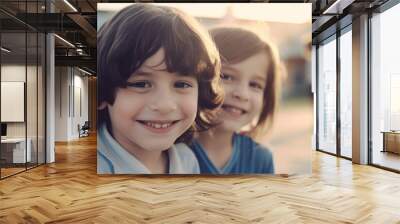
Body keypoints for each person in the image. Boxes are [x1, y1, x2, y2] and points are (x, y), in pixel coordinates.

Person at [97, 4, 223, 174]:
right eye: (141, 84)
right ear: (104, 90)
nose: (165, 105)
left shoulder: (187, 160)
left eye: (181, 84)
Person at [190, 27, 281, 174]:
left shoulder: (260, 159)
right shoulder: (169, 152)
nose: (242, 94)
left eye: (255, 85)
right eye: (226, 76)